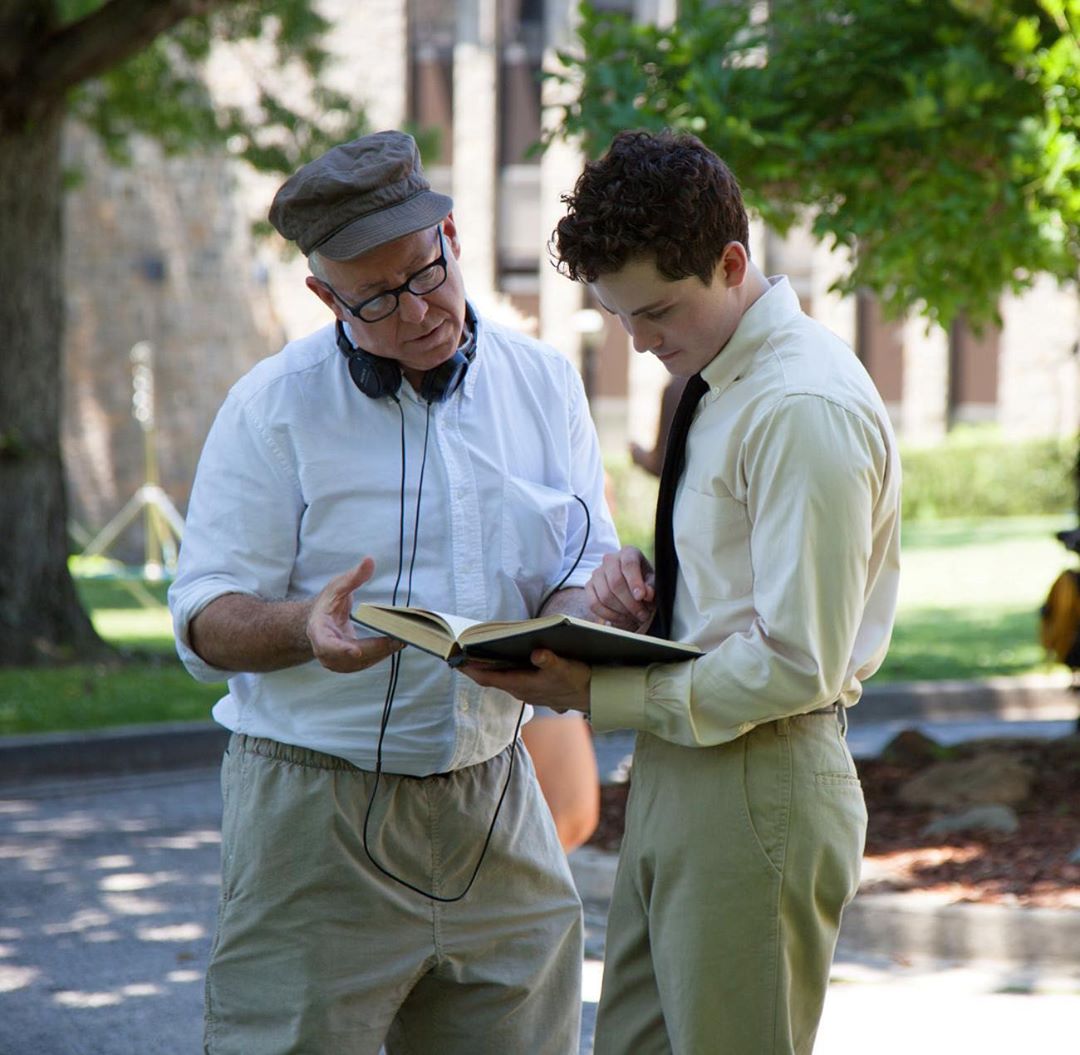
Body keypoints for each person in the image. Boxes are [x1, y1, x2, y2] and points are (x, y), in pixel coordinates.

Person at [167, 130, 618, 1055]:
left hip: (500, 797)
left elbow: (582, 559)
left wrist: (586, 618)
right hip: (313, 816)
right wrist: (303, 626)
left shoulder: (545, 383)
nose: (415, 312)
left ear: (451, 235)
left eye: (425, 274)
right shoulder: (271, 406)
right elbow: (205, 613)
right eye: (375, 298)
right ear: (325, 298)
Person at [461, 129, 902, 1055]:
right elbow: (742, 598)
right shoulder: (722, 381)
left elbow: (797, 660)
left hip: (762, 774)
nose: (641, 339)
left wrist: (598, 694)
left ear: (732, 261)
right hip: (683, 762)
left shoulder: (798, 406)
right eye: (621, 316)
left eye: (656, 310)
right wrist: (647, 601)